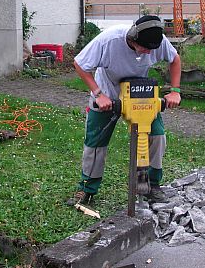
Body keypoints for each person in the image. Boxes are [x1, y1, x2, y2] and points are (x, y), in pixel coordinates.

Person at [69, 15, 181, 205]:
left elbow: (175, 59)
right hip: (108, 94)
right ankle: (87, 188)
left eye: (151, 50)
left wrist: (175, 91)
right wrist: (98, 94)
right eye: (144, 48)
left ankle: (150, 184)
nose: (148, 53)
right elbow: (79, 64)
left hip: (141, 96)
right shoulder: (109, 40)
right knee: (96, 142)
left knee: (157, 137)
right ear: (132, 37)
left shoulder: (157, 41)